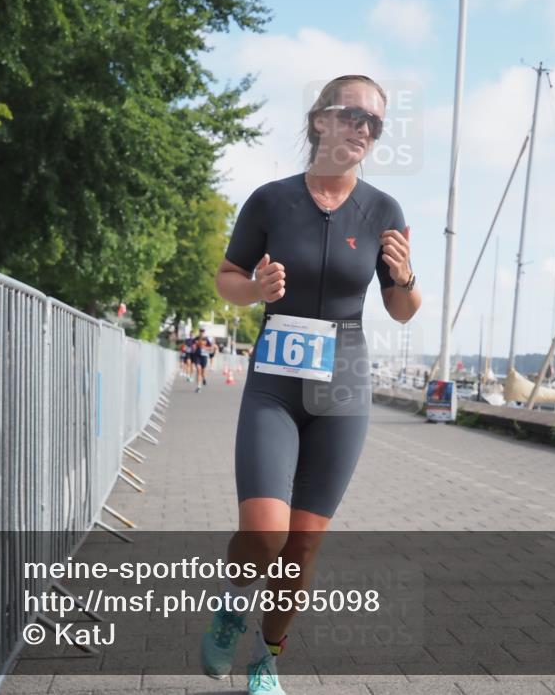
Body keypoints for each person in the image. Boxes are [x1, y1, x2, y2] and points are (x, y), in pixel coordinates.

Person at [204, 75, 421, 695]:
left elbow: (403, 309)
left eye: (376, 124)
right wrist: (255, 290)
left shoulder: (384, 211)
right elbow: (227, 277)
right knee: (265, 531)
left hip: (344, 385)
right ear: (321, 119)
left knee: (301, 545)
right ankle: (230, 609)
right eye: (355, 115)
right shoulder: (271, 201)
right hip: (275, 380)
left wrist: (405, 279)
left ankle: (267, 658)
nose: (365, 130)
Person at [193, 326, 214, 392]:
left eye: (203, 331)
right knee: (198, 370)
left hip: (204, 357)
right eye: (201, 331)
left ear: (204, 332)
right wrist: (195, 346)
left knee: (203, 372)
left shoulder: (206, 339)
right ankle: (198, 386)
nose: (202, 333)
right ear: (199, 332)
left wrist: (205, 347)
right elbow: (192, 346)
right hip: (197, 356)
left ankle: (204, 378)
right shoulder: (196, 338)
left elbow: (211, 348)